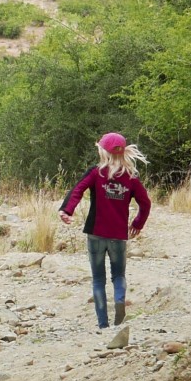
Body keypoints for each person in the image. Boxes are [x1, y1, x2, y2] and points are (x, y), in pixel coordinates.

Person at [59, 132, 150, 329]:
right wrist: (137, 223)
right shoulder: (131, 178)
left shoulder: (95, 172)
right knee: (119, 276)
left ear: (103, 151)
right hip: (118, 235)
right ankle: (119, 301)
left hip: (95, 234)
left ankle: (103, 324)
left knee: (98, 280)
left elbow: (78, 189)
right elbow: (146, 203)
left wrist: (67, 210)